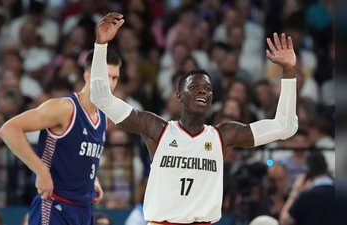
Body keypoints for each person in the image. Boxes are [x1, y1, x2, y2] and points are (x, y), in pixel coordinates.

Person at [90, 12, 298, 224]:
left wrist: (289, 72)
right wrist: (100, 45)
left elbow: (285, 126)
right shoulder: (156, 128)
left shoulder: (224, 135)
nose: (201, 92)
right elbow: (101, 97)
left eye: (207, 89)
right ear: (179, 95)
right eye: (194, 87)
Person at [0, 48, 123, 224]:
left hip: (84, 209)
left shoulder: (102, 114)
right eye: (105, 77)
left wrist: (92, 180)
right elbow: (8, 129)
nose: (110, 84)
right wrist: (40, 170)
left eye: (114, 77)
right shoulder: (65, 108)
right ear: (88, 76)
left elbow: (80, 153)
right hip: (55, 205)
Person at [279, 152, 335, 225]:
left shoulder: (306, 196)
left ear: (308, 169)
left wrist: (295, 192)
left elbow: (284, 221)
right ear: (326, 165)